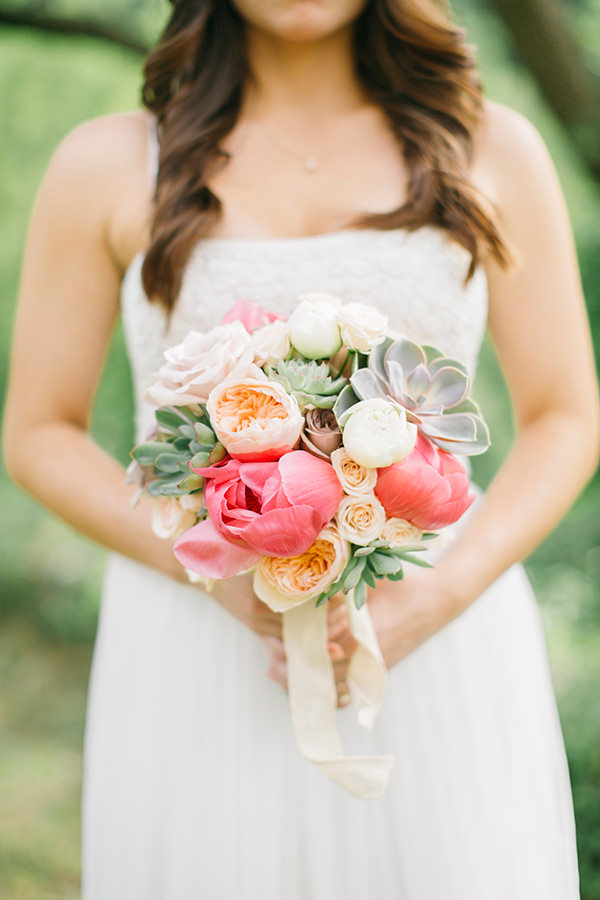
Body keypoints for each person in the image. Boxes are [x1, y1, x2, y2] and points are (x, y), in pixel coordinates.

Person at [3, 0, 599, 897]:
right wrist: (222, 578)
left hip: (438, 635)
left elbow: (566, 416)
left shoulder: (491, 149)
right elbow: (40, 431)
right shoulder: (109, 162)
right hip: (196, 637)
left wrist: (431, 602)